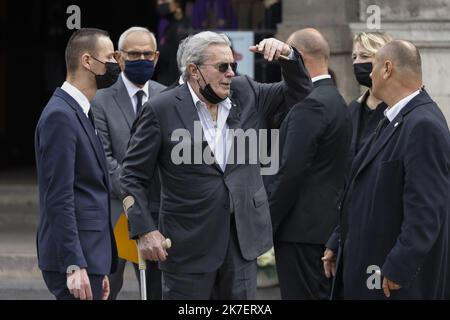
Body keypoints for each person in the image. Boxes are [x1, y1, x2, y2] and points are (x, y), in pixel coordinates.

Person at [120, 31, 312, 299]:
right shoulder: (160, 109)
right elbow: (131, 176)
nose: (231, 73)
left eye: (232, 64)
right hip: (187, 246)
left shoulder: (247, 92)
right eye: (222, 66)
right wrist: (144, 229)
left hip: (240, 243)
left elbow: (301, 92)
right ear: (193, 70)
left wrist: (288, 56)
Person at [323, 40, 450, 299]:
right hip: (366, 271)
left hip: (391, 284)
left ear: (387, 69)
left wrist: (398, 268)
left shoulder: (423, 125)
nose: (368, 73)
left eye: (373, 66)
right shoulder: (394, 118)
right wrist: (339, 239)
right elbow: (363, 190)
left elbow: (426, 211)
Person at [265, 28, 352, 299]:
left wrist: (263, 223)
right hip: (323, 230)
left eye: (284, 57)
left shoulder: (310, 104)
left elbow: (289, 172)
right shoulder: (336, 100)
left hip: (301, 234)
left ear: (297, 58)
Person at [35, 28, 119, 300]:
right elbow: (59, 196)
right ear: (87, 61)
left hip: (89, 257)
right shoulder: (61, 115)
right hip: (75, 260)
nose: (116, 64)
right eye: (110, 57)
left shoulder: (79, 111)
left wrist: (98, 265)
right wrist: (75, 264)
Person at [91, 27, 166, 300]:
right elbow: (104, 158)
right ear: (119, 58)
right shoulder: (100, 100)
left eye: (147, 53)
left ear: (156, 57)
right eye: (134, 54)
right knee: (107, 287)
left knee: (156, 290)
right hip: (114, 213)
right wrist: (133, 195)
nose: (142, 58)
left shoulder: (167, 96)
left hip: (156, 214)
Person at [349, 32, 392, 158]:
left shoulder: (398, 109)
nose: (357, 62)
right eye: (354, 57)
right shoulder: (353, 109)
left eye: (364, 56)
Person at [154, 0, 191, 86]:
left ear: (177, 2)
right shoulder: (166, 25)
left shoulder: (182, 28)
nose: (159, 3)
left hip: (172, 85)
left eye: (163, 1)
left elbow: (178, 62)